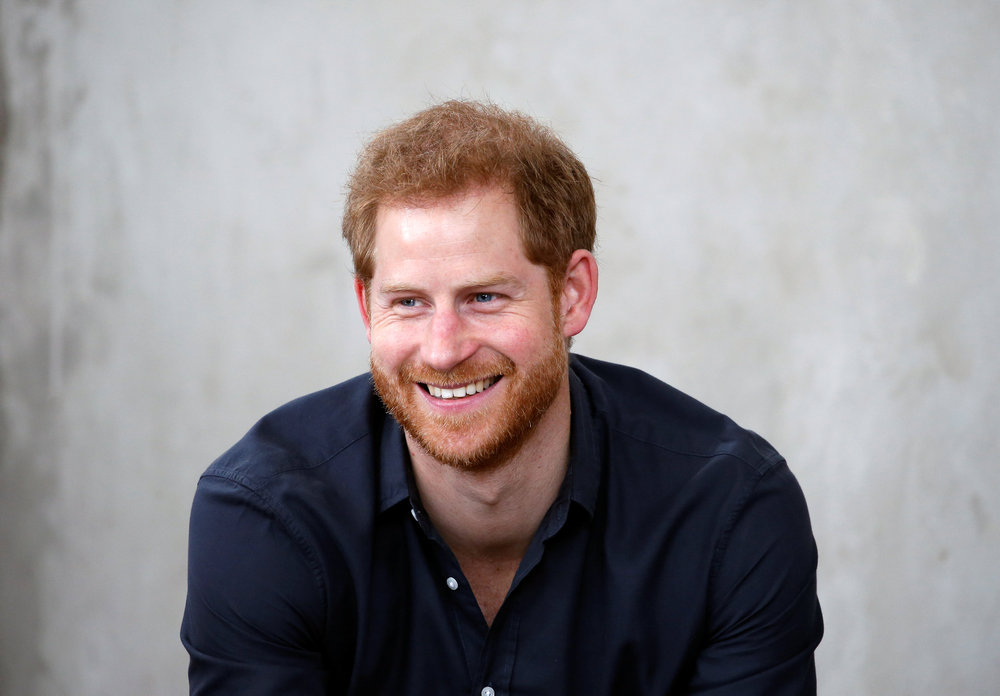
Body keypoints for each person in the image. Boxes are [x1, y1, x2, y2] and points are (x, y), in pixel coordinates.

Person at [181, 100, 823, 695]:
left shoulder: (730, 512)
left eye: (484, 297)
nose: (442, 349)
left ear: (571, 294)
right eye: (408, 302)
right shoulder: (265, 516)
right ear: (364, 306)